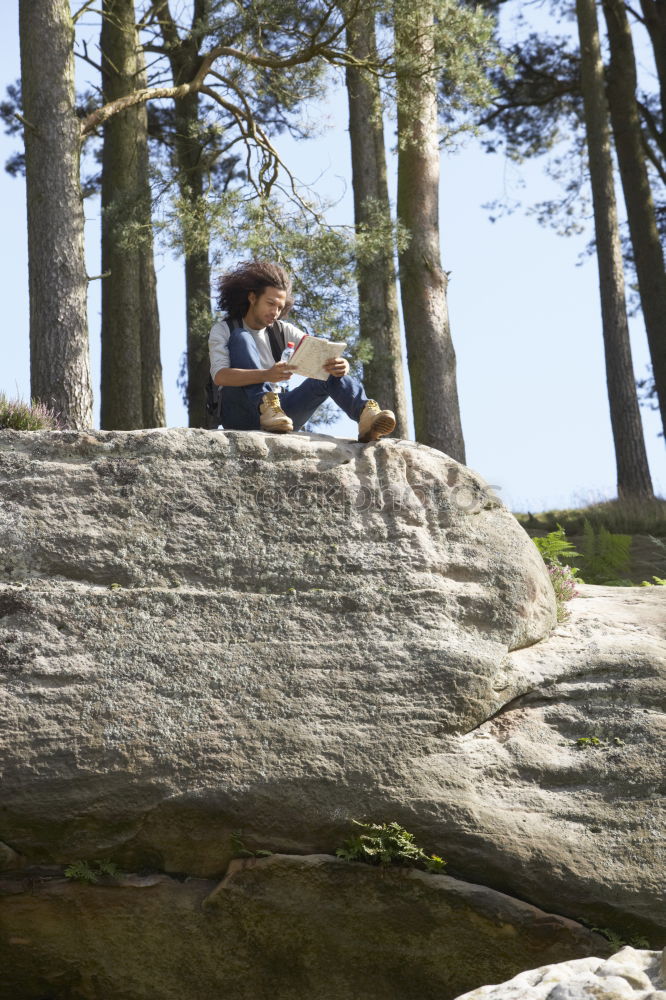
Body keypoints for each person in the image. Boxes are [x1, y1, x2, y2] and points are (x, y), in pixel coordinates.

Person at [208, 260, 397, 441]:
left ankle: (366, 417)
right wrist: (267, 374)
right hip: (239, 413)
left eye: (280, 307)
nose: (275, 312)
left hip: (280, 416)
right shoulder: (224, 330)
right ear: (252, 297)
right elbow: (220, 377)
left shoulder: (283, 330)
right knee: (241, 337)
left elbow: (320, 352)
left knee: (327, 369)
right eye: (270, 303)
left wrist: (341, 365)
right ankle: (266, 405)